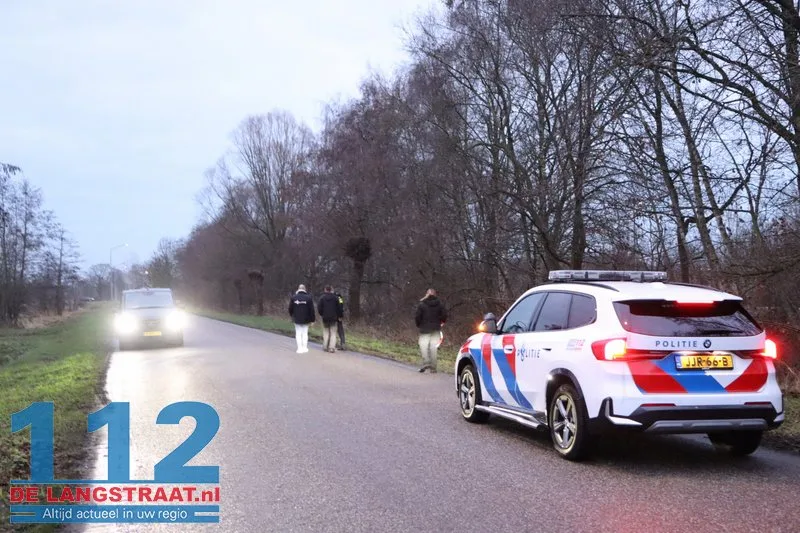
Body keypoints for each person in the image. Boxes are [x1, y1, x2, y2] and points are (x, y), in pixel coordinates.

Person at [414, 288, 448, 373]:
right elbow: (444, 315)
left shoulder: (422, 304)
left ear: (426, 294)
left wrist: (419, 324)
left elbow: (417, 317)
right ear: (435, 294)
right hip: (436, 328)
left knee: (423, 346)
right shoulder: (439, 304)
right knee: (433, 348)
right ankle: (433, 368)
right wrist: (440, 322)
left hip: (424, 329)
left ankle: (426, 363)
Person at [288, 284, 315, 353]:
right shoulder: (309, 298)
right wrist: (312, 320)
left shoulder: (294, 297)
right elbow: (312, 310)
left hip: (296, 318)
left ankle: (299, 348)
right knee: (305, 333)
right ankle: (305, 348)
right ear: (305, 289)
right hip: (306, 319)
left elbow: (290, 308)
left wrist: (292, 315)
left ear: (298, 289)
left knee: (298, 333)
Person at [318, 285, 342, 353]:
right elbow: (339, 308)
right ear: (331, 290)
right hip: (334, 318)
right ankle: (331, 348)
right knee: (333, 333)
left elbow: (319, 308)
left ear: (325, 290)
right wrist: (339, 316)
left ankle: (325, 347)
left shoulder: (322, 298)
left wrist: (322, 314)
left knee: (326, 332)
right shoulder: (336, 298)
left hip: (325, 318)